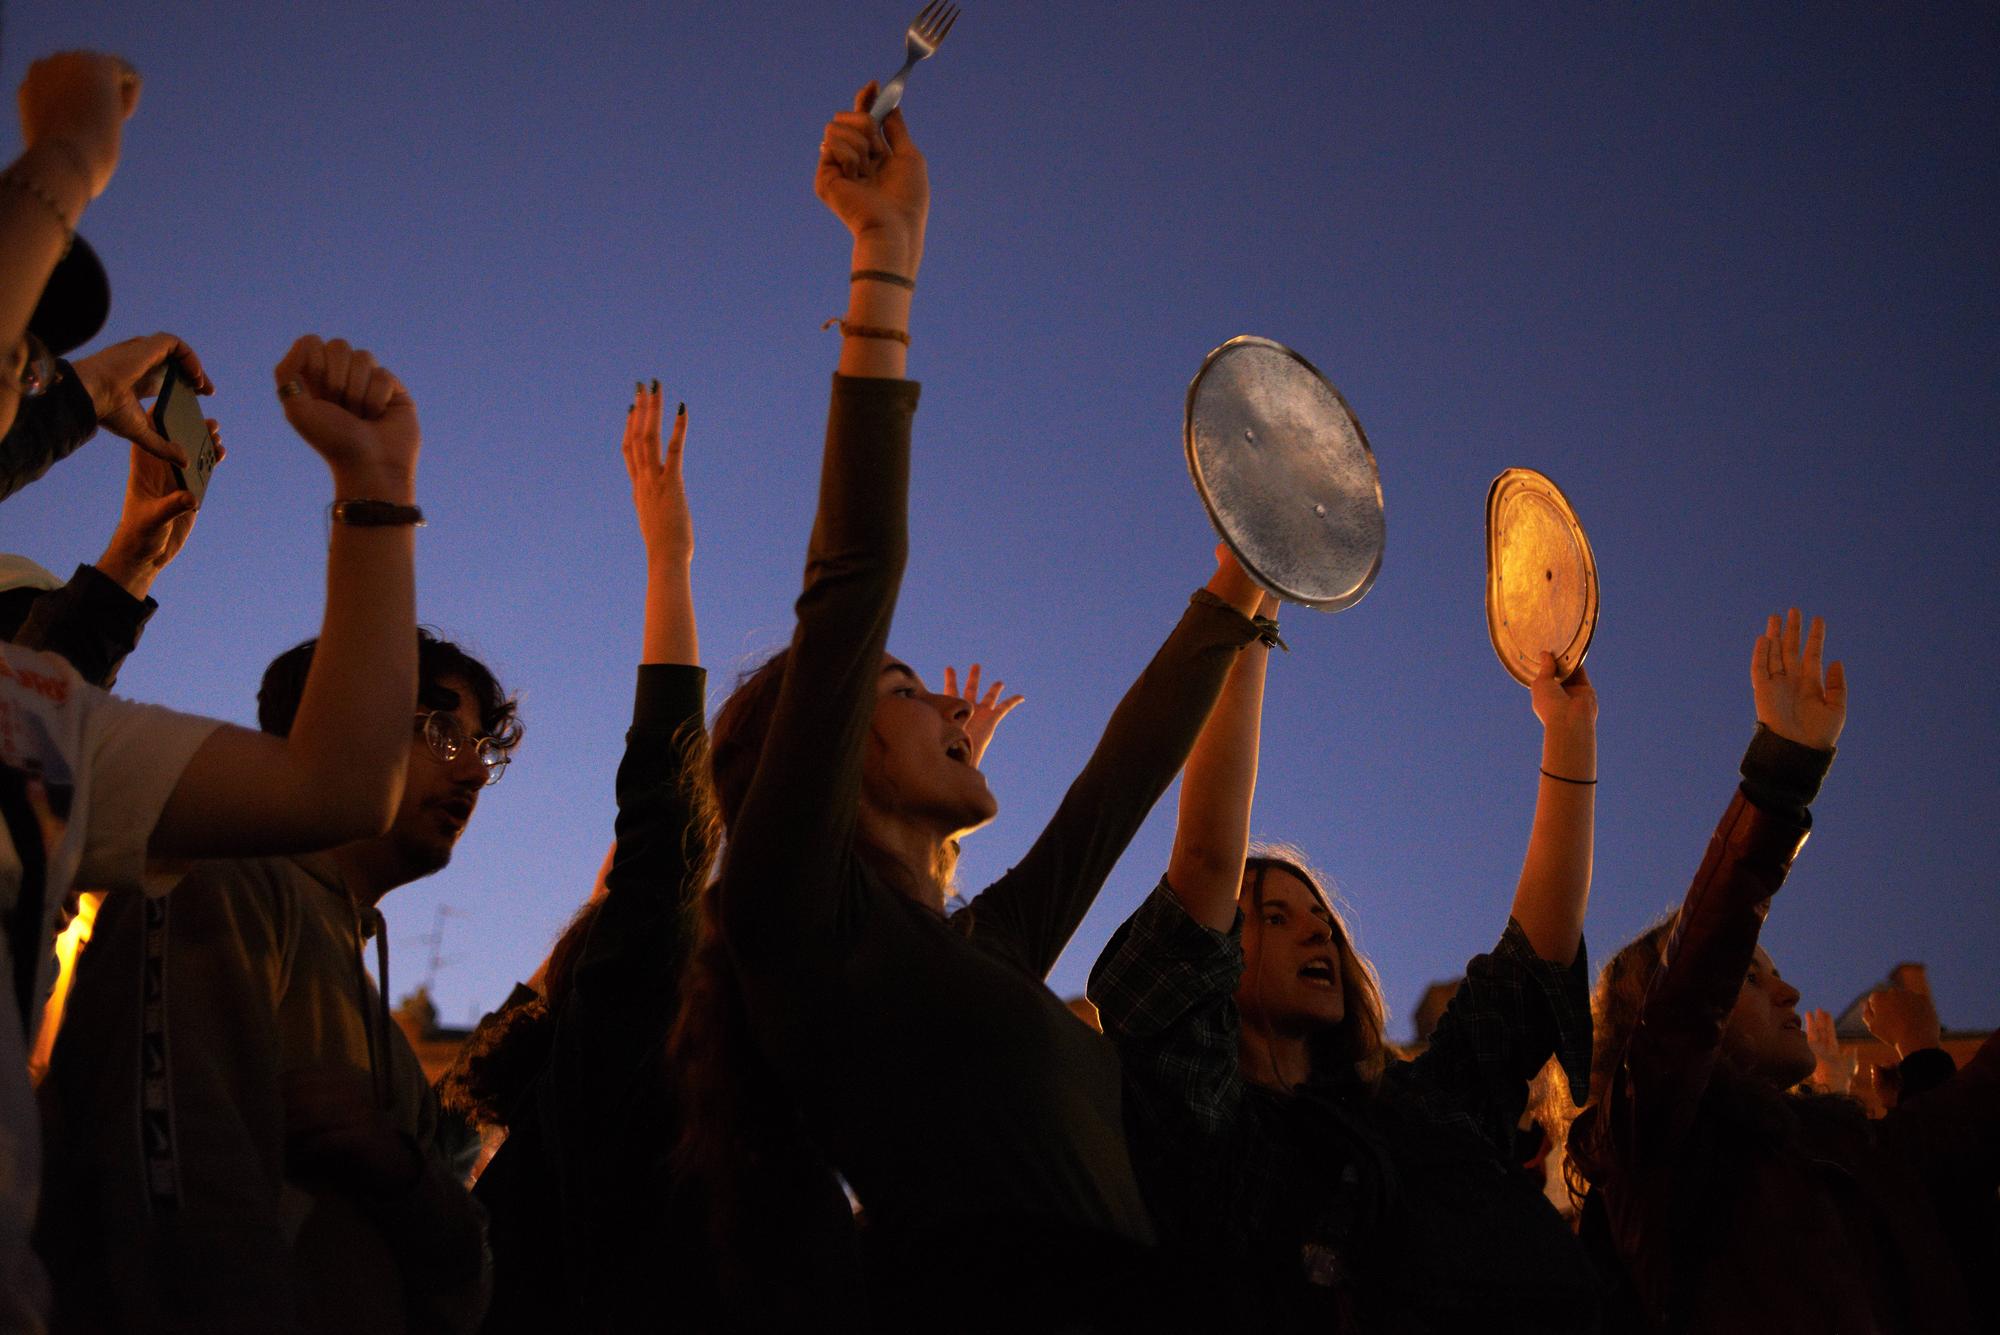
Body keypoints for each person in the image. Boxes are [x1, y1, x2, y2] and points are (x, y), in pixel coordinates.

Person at [674, 86, 1266, 1331]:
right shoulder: (790, 908)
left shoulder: (972, 950)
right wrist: (884, 258)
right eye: (898, 689)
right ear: (827, 757)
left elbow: (1112, 790)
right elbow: (850, 587)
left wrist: (1238, 583)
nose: (943, 694)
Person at [1089, 570, 1603, 1333]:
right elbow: (1201, 862)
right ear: (1221, 961)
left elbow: (1533, 966)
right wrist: (1252, 603)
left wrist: (1569, 732)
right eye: (1273, 915)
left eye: (1321, 916)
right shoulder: (1206, 1125)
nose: (1317, 930)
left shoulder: (1416, 1106)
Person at [1568, 610, 1999, 1333]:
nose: (1791, 990)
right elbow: (1696, 974)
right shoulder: (1654, 1155)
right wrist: (1781, 775)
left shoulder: (1851, 1147)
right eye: (1751, 976)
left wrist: (1927, 1062)